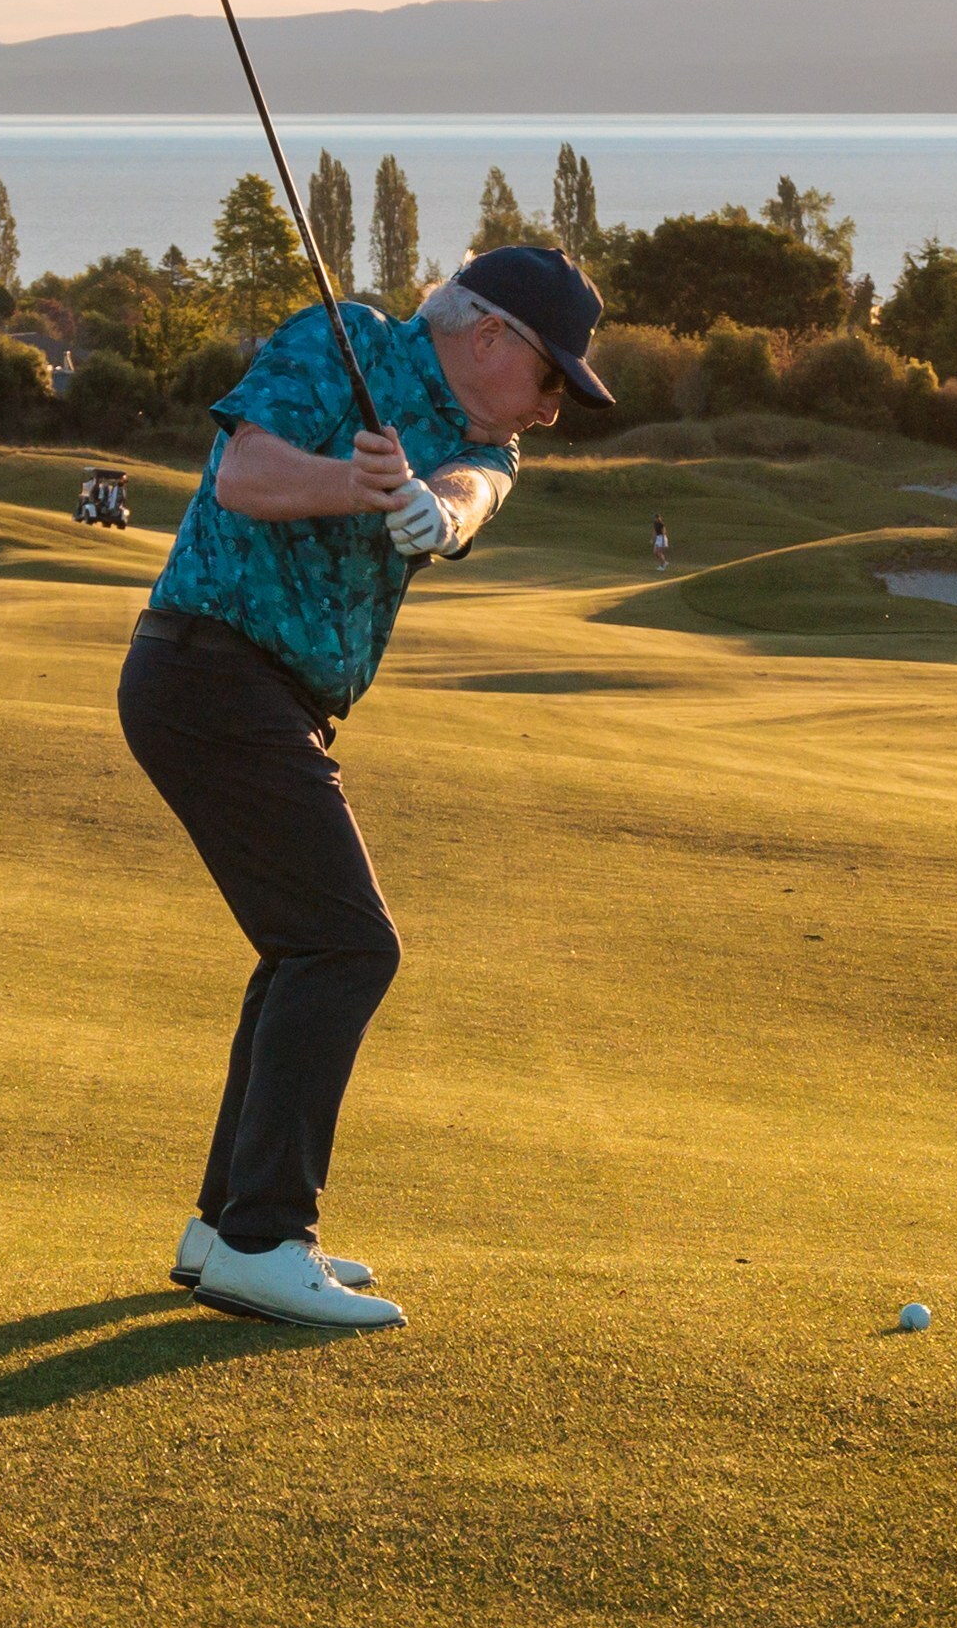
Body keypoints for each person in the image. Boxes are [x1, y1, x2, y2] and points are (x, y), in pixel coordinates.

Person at [121, 242, 613, 1330]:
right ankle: (263, 1237)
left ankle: (221, 1229)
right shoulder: (335, 341)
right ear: (490, 338)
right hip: (205, 665)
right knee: (348, 944)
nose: (550, 410)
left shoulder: (485, 445)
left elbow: (474, 488)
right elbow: (241, 476)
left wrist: (438, 511)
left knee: (303, 947)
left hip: (272, 698)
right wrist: (355, 483)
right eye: (549, 379)